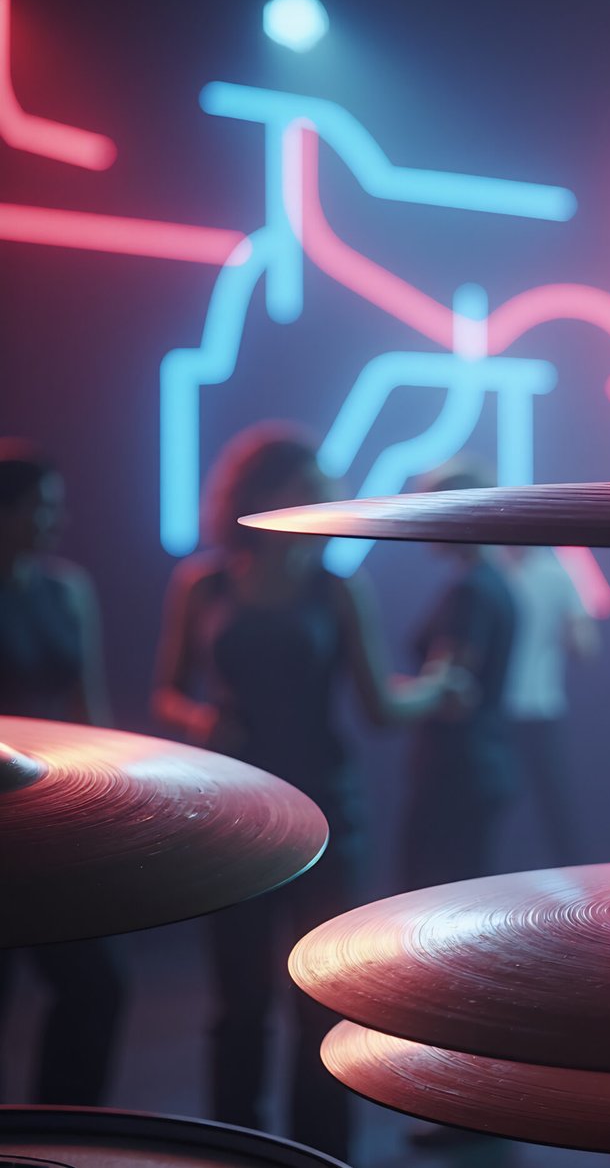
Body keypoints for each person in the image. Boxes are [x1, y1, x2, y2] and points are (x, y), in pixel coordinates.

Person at [151, 423, 466, 1159]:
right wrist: (199, 717)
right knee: (240, 1004)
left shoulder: (338, 587)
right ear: (264, 497)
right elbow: (166, 691)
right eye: (315, 488)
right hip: (233, 816)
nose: (331, 500)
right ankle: (227, 1150)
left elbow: (379, 708)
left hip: (326, 812)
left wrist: (440, 687)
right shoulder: (203, 583)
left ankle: (320, 1154)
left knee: (322, 1000)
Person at [0, 441, 126, 1105]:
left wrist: (105, 807)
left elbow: (90, 711)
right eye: (42, 507)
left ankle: (64, 1134)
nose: (55, 520)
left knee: (97, 985)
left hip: (51, 819)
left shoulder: (68, 588)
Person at [397, 462, 518, 892]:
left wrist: (382, 690)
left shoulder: (470, 590)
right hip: (478, 765)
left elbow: (451, 692)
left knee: (431, 904)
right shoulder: (493, 582)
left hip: (455, 771)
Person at [498, 543, 599, 867]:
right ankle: (578, 891)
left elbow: (585, 646)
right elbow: (586, 648)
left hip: (518, 711)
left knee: (542, 812)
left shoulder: (494, 573)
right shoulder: (557, 573)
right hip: (533, 711)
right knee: (556, 813)